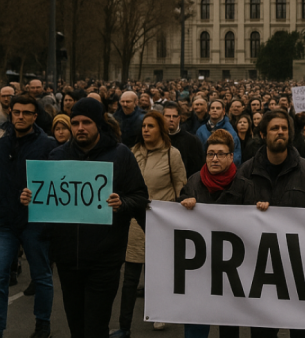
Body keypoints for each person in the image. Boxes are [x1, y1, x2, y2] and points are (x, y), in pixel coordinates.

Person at [21, 97, 148, 338]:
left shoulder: (120, 155)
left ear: (99, 124)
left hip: (105, 259)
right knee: (77, 327)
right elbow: (47, 199)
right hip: (68, 259)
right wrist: (31, 198)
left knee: (95, 328)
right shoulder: (57, 156)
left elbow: (140, 196)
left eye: (86, 122)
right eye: (75, 122)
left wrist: (122, 203)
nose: (80, 127)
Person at [233, 109, 305, 338]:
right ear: (263, 134)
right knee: (262, 332)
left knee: (300, 331)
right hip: (260, 271)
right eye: (274, 128)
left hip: (298, 268)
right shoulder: (246, 171)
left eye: (284, 128)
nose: (280, 132)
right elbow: (233, 217)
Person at [111, 111, 187, 336]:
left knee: (159, 275)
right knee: (130, 279)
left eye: (151, 126)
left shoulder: (172, 155)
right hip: (134, 223)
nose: (145, 129)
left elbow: (181, 189)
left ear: (161, 129)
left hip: (160, 223)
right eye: (144, 126)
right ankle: (124, 326)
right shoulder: (131, 153)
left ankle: (160, 314)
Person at [0, 96, 57, 338]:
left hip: (35, 222)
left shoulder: (48, 145)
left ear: (35, 116)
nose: (20, 116)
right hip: (5, 223)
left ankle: (42, 324)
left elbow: (57, 185)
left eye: (26, 113)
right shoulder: (1, 144)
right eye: (16, 112)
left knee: (41, 275)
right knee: (0, 275)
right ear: (10, 113)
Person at [178, 129, 242, 338]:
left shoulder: (244, 185)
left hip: (232, 268)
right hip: (199, 266)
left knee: (229, 322)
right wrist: (184, 204)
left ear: (231, 157)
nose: (214, 158)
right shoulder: (194, 182)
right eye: (210, 154)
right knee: (196, 322)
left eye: (220, 154)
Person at [163, 101, 205, 176]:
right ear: (162, 117)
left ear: (179, 118)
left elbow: (197, 169)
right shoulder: (157, 139)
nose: (171, 119)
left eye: (174, 116)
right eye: (168, 116)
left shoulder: (192, 141)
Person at [196, 99, 242, 165]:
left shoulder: (230, 132)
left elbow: (235, 156)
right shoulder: (201, 130)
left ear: (223, 112)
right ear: (209, 111)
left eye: (218, 108)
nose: (215, 110)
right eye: (212, 108)